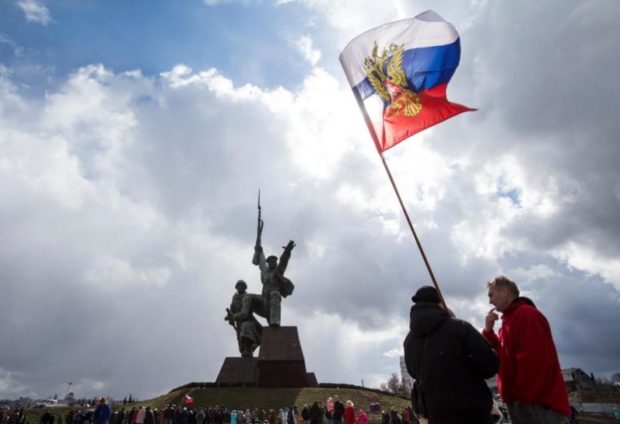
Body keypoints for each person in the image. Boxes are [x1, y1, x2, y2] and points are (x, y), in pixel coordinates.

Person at [404, 286, 499, 424]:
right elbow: (490, 365)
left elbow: (413, 372)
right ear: (440, 302)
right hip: (472, 413)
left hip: (435, 415)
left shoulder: (409, 341)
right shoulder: (460, 327)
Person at [482, 276, 571, 424]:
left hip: (537, 404)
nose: (490, 301)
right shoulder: (508, 321)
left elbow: (535, 360)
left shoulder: (526, 314)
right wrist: (488, 330)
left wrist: (522, 396)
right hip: (520, 401)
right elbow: (502, 355)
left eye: (491, 295)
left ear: (504, 291)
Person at [252, 210, 295, 327]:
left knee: (275, 294)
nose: (271, 262)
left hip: (273, 297)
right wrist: (258, 248)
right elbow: (260, 260)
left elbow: (283, 261)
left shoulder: (278, 270)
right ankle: (248, 323)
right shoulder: (265, 272)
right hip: (264, 298)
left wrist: (287, 251)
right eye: (269, 261)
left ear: (275, 262)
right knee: (248, 298)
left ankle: (275, 321)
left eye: (273, 260)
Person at [225, 280, 263, 357]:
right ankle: (247, 352)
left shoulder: (247, 297)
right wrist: (230, 318)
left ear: (245, 288)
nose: (240, 287)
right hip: (239, 324)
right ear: (236, 287)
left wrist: (233, 317)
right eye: (239, 286)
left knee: (246, 328)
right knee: (241, 347)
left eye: (242, 286)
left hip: (249, 322)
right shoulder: (234, 299)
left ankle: (248, 349)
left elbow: (244, 313)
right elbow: (232, 310)